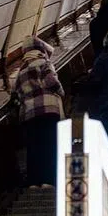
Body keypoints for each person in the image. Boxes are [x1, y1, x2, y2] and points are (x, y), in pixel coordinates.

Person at [14, 36, 65, 187]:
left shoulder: (21, 70)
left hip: (29, 114)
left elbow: (15, 94)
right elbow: (51, 81)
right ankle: (49, 180)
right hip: (48, 110)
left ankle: (35, 182)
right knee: (50, 145)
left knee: (34, 148)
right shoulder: (43, 61)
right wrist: (61, 92)